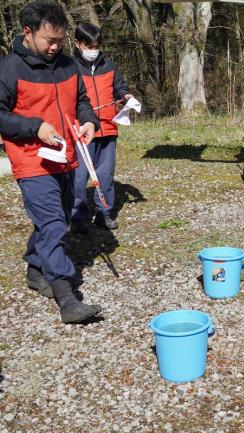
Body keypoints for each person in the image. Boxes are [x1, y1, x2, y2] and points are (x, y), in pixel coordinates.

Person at [0, 1, 102, 323]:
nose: (55, 47)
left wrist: (89, 121)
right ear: (27, 33)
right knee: (54, 223)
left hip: (66, 157)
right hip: (31, 159)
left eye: (60, 40)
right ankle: (66, 297)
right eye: (49, 40)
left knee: (56, 219)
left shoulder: (69, 64)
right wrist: (35, 127)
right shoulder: (10, 68)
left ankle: (35, 267)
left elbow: (83, 101)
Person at [70, 23, 133, 234]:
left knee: (105, 173)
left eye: (97, 45)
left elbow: (120, 89)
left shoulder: (110, 66)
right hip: (81, 131)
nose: (93, 49)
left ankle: (104, 213)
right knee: (79, 176)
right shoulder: (69, 67)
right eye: (89, 45)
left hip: (108, 127)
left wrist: (127, 98)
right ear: (77, 43)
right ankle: (77, 216)